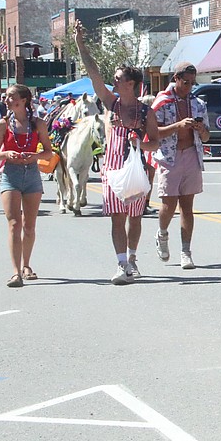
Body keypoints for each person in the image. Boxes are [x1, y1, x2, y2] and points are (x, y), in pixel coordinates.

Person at [74, 25, 161, 285]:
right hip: (112, 169)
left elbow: (155, 143)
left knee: (135, 217)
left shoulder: (146, 112)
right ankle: (122, 264)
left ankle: (132, 257)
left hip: (136, 169)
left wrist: (140, 144)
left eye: (119, 78)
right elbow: (94, 75)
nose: (114, 81)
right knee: (116, 218)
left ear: (131, 84)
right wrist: (81, 44)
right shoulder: (111, 103)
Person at [0, 84, 52, 287]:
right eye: (6, 97)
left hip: (32, 174)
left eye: (11, 96)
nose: (7, 100)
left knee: (29, 225)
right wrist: (6, 154)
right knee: (14, 223)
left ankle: (27, 265)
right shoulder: (3, 124)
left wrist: (34, 155)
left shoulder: (38, 124)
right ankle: (16, 272)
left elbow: (49, 152)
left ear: (24, 100)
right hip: (11, 174)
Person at [152, 61, 210, 270]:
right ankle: (162, 234)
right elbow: (153, 132)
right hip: (169, 156)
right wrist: (177, 126)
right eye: (185, 82)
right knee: (168, 205)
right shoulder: (163, 101)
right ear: (175, 79)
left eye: (192, 83)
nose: (188, 87)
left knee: (187, 206)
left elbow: (206, 137)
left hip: (191, 155)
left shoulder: (198, 104)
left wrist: (201, 129)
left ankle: (186, 252)